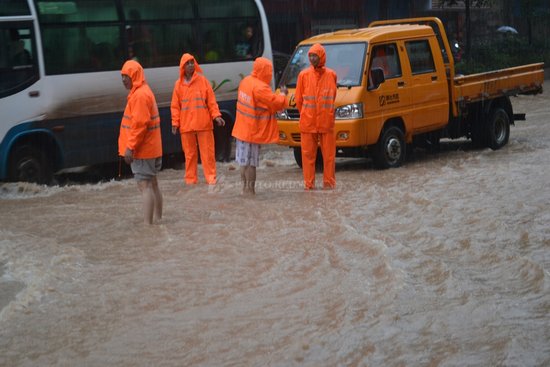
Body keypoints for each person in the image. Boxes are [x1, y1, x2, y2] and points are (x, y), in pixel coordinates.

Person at [232, 57, 287, 195]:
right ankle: (251, 191)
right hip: (252, 131)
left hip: (241, 129)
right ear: (264, 71)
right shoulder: (261, 88)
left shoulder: (245, 81)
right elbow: (276, 103)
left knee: (243, 162)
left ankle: (244, 189)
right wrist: (283, 94)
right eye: (269, 70)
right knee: (251, 164)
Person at [118, 59, 163, 225]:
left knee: (145, 186)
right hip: (152, 147)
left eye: (126, 76)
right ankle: (157, 219)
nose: (123, 79)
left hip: (144, 150)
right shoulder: (143, 91)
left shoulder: (140, 96)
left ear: (135, 76)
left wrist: (130, 147)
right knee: (153, 184)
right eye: (122, 76)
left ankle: (147, 224)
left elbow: (139, 125)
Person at [171, 53, 225, 185]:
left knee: (208, 154)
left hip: (203, 124)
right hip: (186, 126)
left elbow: (211, 102)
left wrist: (216, 116)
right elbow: (175, 106)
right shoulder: (178, 85)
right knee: (189, 156)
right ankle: (190, 181)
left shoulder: (203, 81)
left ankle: (211, 179)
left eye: (192, 62)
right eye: (187, 63)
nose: (190, 65)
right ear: (183, 67)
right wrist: (175, 123)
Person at [295, 43, 337, 190]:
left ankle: (329, 185)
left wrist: (327, 114)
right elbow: (298, 99)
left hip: (326, 123)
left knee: (329, 157)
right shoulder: (303, 75)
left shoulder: (331, 75)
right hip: (308, 123)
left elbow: (333, 97)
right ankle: (309, 186)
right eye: (310, 56)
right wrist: (306, 114)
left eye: (315, 56)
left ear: (322, 57)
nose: (312, 58)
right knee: (307, 157)